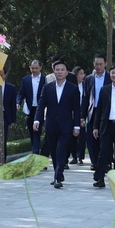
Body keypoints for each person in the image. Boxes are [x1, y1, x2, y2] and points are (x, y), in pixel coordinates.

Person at [34, 60, 81, 189]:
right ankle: (57, 173)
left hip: (66, 125)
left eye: (62, 70)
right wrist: (37, 120)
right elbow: (41, 105)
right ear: (54, 72)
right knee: (54, 151)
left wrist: (77, 126)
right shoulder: (47, 87)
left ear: (66, 72)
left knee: (61, 150)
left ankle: (58, 176)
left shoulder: (73, 88)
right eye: (57, 69)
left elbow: (77, 109)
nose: (59, 72)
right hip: (51, 125)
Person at [83, 54, 108, 170]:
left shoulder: (110, 77)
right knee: (91, 138)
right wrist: (82, 116)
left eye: (100, 64)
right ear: (93, 64)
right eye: (96, 64)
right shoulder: (89, 79)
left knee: (104, 138)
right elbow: (85, 98)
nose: (98, 66)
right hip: (92, 111)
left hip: (106, 112)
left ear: (105, 64)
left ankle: (105, 161)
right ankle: (94, 162)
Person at [17, 60, 45, 156]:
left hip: (41, 109)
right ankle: (36, 152)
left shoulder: (45, 79)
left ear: (40, 67)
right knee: (32, 132)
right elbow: (21, 93)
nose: (34, 70)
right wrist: (18, 103)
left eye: (36, 68)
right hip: (30, 109)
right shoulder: (26, 80)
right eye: (33, 68)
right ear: (30, 68)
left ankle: (36, 154)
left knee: (37, 131)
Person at [0, 69, 17, 157]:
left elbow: (13, 105)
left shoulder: (11, 88)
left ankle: (3, 159)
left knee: (3, 138)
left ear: (5, 75)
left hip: (5, 115)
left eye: (1, 75)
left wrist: (13, 120)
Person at [69, 66, 87, 165]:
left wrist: (83, 116)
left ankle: (80, 157)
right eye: (81, 74)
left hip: (82, 114)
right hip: (71, 114)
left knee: (82, 137)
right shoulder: (71, 86)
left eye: (83, 73)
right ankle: (74, 156)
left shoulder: (85, 85)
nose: (83, 76)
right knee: (72, 137)